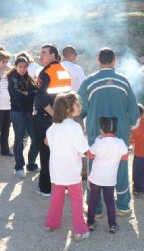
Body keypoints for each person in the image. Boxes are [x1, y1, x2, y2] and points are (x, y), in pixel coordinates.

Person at [78, 47, 139, 216]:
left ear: (98, 60)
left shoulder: (89, 82)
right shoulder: (124, 81)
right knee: (120, 166)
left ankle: (95, 208)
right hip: (120, 134)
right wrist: (132, 127)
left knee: (94, 168)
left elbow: (79, 110)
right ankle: (123, 206)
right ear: (114, 61)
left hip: (95, 134)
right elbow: (133, 111)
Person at [44, 92, 90, 242]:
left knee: (57, 197)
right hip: (72, 170)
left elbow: (46, 142)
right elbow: (83, 149)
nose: (80, 106)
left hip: (57, 169)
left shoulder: (53, 127)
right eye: (77, 104)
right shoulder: (75, 127)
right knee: (76, 200)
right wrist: (93, 153)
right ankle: (80, 231)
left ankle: (51, 224)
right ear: (69, 109)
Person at [34, 44, 72, 196]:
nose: (40, 55)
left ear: (53, 55)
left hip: (47, 119)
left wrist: (54, 116)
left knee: (45, 153)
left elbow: (41, 101)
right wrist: (62, 117)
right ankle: (64, 185)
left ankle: (45, 188)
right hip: (62, 118)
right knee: (61, 153)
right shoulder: (65, 71)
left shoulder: (45, 72)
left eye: (44, 53)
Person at [87, 117, 128, 234]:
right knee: (110, 201)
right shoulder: (120, 143)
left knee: (93, 200)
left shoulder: (98, 142)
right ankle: (112, 225)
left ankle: (90, 223)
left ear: (101, 130)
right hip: (110, 179)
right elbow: (125, 157)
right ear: (115, 130)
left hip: (95, 178)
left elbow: (90, 155)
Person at [7, 56, 38, 177]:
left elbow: (34, 92)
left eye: (25, 66)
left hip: (29, 112)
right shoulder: (12, 78)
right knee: (19, 140)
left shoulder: (28, 78)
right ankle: (19, 166)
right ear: (16, 66)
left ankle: (31, 164)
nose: (23, 69)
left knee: (35, 139)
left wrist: (28, 93)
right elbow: (18, 96)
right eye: (20, 66)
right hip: (17, 113)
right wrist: (29, 93)